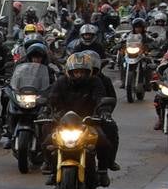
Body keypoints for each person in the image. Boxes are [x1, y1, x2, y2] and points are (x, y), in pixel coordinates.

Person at [44, 51, 120, 181]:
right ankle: (51, 168)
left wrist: (103, 112)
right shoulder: (61, 82)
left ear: (88, 72)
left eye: (82, 72)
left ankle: (103, 170)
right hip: (64, 121)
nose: (79, 75)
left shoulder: (95, 82)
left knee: (104, 139)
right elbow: (52, 98)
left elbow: (100, 98)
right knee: (47, 139)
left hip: (88, 121)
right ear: (70, 71)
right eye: (76, 72)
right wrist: (46, 109)